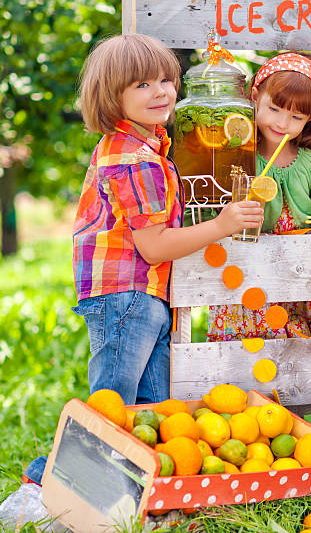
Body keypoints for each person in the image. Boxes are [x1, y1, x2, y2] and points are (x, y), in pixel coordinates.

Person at [72, 34, 263, 405]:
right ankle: (55, 467)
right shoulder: (136, 159)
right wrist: (222, 225)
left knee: (153, 413)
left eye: (165, 80)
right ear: (112, 96)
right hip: (124, 294)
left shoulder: (145, 149)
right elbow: (155, 246)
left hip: (141, 294)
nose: (161, 91)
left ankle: (140, 464)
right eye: (143, 84)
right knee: (114, 410)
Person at [207, 51, 311, 340]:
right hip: (249, 279)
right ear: (254, 97)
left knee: (305, 357)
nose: (282, 123)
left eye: (296, 116)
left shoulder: (308, 161)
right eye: (274, 109)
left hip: (301, 279)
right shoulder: (238, 157)